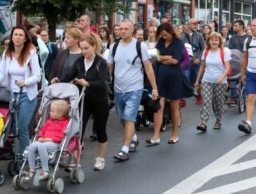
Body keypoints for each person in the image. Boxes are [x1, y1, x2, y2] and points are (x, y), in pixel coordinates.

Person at [107, 19, 158, 162]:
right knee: (123, 119)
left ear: (132, 31)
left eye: (125, 29)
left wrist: (154, 88)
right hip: (118, 89)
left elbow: (148, 68)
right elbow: (109, 67)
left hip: (135, 88)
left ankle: (125, 149)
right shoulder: (114, 47)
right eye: (120, 28)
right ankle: (133, 138)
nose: (122, 31)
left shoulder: (139, 46)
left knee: (129, 118)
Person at [0, 26, 42, 155]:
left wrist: (25, 82)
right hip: (12, 94)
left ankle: (24, 155)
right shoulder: (7, 53)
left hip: (27, 95)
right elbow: (2, 73)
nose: (17, 37)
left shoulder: (31, 53)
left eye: (20, 35)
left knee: (22, 127)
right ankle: (13, 151)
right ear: (12, 37)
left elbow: (37, 76)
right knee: (12, 126)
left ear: (25, 39)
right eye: (15, 35)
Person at [62, 35, 110, 171]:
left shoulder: (101, 62)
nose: (83, 51)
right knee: (78, 130)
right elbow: (68, 76)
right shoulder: (79, 61)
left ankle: (100, 158)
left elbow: (101, 82)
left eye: (86, 48)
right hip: (83, 100)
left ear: (94, 47)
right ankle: (75, 159)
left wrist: (87, 83)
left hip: (99, 100)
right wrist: (58, 80)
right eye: (81, 48)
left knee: (100, 130)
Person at [146, 23, 187, 146]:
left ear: (171, 32)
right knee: (158, 105)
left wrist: (161, 58)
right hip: (160, 77)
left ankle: (174, 135)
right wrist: (166, 57)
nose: (164, 37)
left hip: (174, 77)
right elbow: (155, 57)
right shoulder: (160, 41)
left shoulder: (178, 42)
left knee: (174, 106)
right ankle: (156, 136)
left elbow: (175, 60)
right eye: (162, 35)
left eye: (166, 35)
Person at [194, 32, 231, 132]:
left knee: (218, 102)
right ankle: (204, 122)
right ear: (208, 41)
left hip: (220, 82)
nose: (214, 42)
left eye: (216, 40)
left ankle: (218, 120)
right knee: (206, 101)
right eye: (212, 40)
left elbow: (227, 67)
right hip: (206, 80)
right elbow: (202, 67)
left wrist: (222, 77)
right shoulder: (206, 51)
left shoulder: (224, 51)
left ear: (219, 41)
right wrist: (197, 80)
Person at [26, 99, 70, 180]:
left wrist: (48, 140)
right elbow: (42, 129)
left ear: (60, 114)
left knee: (40, 147)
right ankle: (32, 168)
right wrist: (40, 137)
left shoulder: (65, 122)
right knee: (32, 146)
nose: (49, 113)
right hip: (43, 141)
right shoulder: (49, 121)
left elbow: (61, 136)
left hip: (54, 143)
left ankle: (45, 170)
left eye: (52, 111)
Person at [183, 18, 206, 105]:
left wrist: (199, 58)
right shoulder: (183, 36)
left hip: (197, 63)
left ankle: (199, 95)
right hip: (186, 63)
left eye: (196, 24)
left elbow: (203, 48)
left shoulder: (199, 35)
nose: (195, 25)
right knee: (184, 79)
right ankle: (182, 98)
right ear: (188, 25)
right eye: (193, 24)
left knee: (198, 80)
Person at [227, 20, 248, 106]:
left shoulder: (248, 37)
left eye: (236, 25)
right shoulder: (233, 38)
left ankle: (245, 95)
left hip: (246, 60)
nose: (234, 27)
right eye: (234, 26)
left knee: (245, 78)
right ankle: (233, 96)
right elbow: (230, 50)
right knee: (233, 77)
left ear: (242, 26)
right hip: (235, 61)